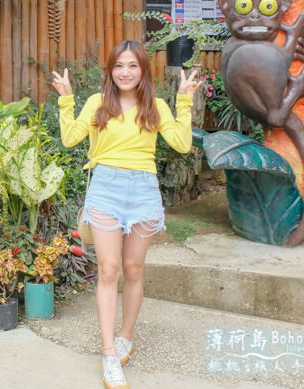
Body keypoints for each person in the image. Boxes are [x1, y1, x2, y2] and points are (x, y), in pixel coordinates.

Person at [51, 39, 202, 389]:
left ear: (143, 69)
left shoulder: (156, 105)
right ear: (111, 69)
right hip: (106, 186)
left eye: (133, 65)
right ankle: (108, 354)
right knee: (109, 269)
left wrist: (184, 102)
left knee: (133, 268)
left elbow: (181, 144)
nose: (125, 72)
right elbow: (71, 138)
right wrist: (65, 98)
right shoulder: (98, 102)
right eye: (119, 65)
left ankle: (125, 337)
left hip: (144, 190)